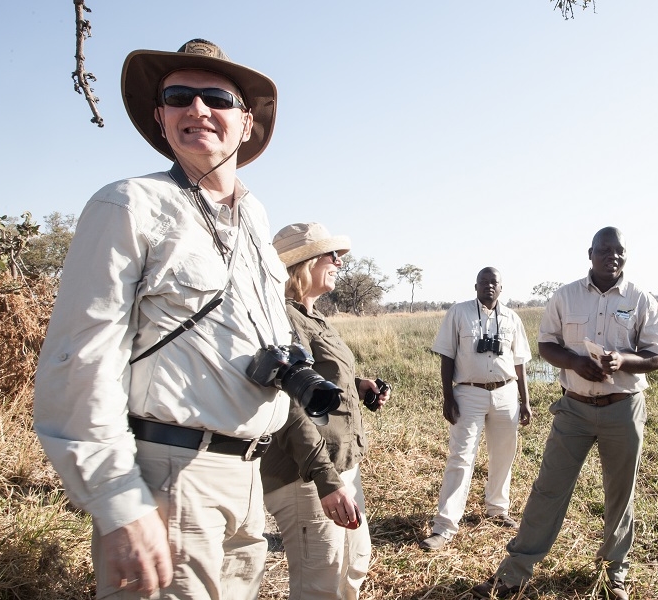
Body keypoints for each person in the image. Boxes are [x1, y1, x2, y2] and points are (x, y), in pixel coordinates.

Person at [33, 39, 288, 599]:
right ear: (160, 117)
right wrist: (120, 502)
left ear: (246, 123)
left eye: (217, 97)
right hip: (171, 476)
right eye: (179, 96)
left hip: (247, 481)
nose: (197, 109)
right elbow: (81, 363)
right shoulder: (128, 204)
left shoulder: (254, 219)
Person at [472, 227, 658, 600]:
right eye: (605, 250)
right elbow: (547, 345)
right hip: (574, 409)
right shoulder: (565, 296)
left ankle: (615, 574)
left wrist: (622, 359)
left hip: (623, 409)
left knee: (619, 495)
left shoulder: (641, 300)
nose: (612, 256)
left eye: (619, 251)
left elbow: (657, 356)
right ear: (590, 253)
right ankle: (513, 574)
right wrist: (576, 362)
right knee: (548, 489)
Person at [260, 222, 391, 600]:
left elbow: (317, 378)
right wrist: (326, 480)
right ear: (304, 262)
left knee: (354, 563)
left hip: (341, 464)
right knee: (321, 584)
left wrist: (358, 385)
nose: (339, 261)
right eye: (331, 255)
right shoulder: (282, 317)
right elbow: (287, 405)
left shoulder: (312, 315)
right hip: (308, 474)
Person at [419, 267, 533, 551]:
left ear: (501, 287)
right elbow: (446, 355)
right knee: (461, 457)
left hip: (506, 392)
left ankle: (497, 509)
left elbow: (520, 362)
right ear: (476, 286)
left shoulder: (512, 318)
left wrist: (525, 401)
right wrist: (448, 397)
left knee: (504, 454)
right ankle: (444, 525)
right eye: (484, 282)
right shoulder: (459, 313)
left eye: (494, 283)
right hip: (468, 392)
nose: (489, 287)